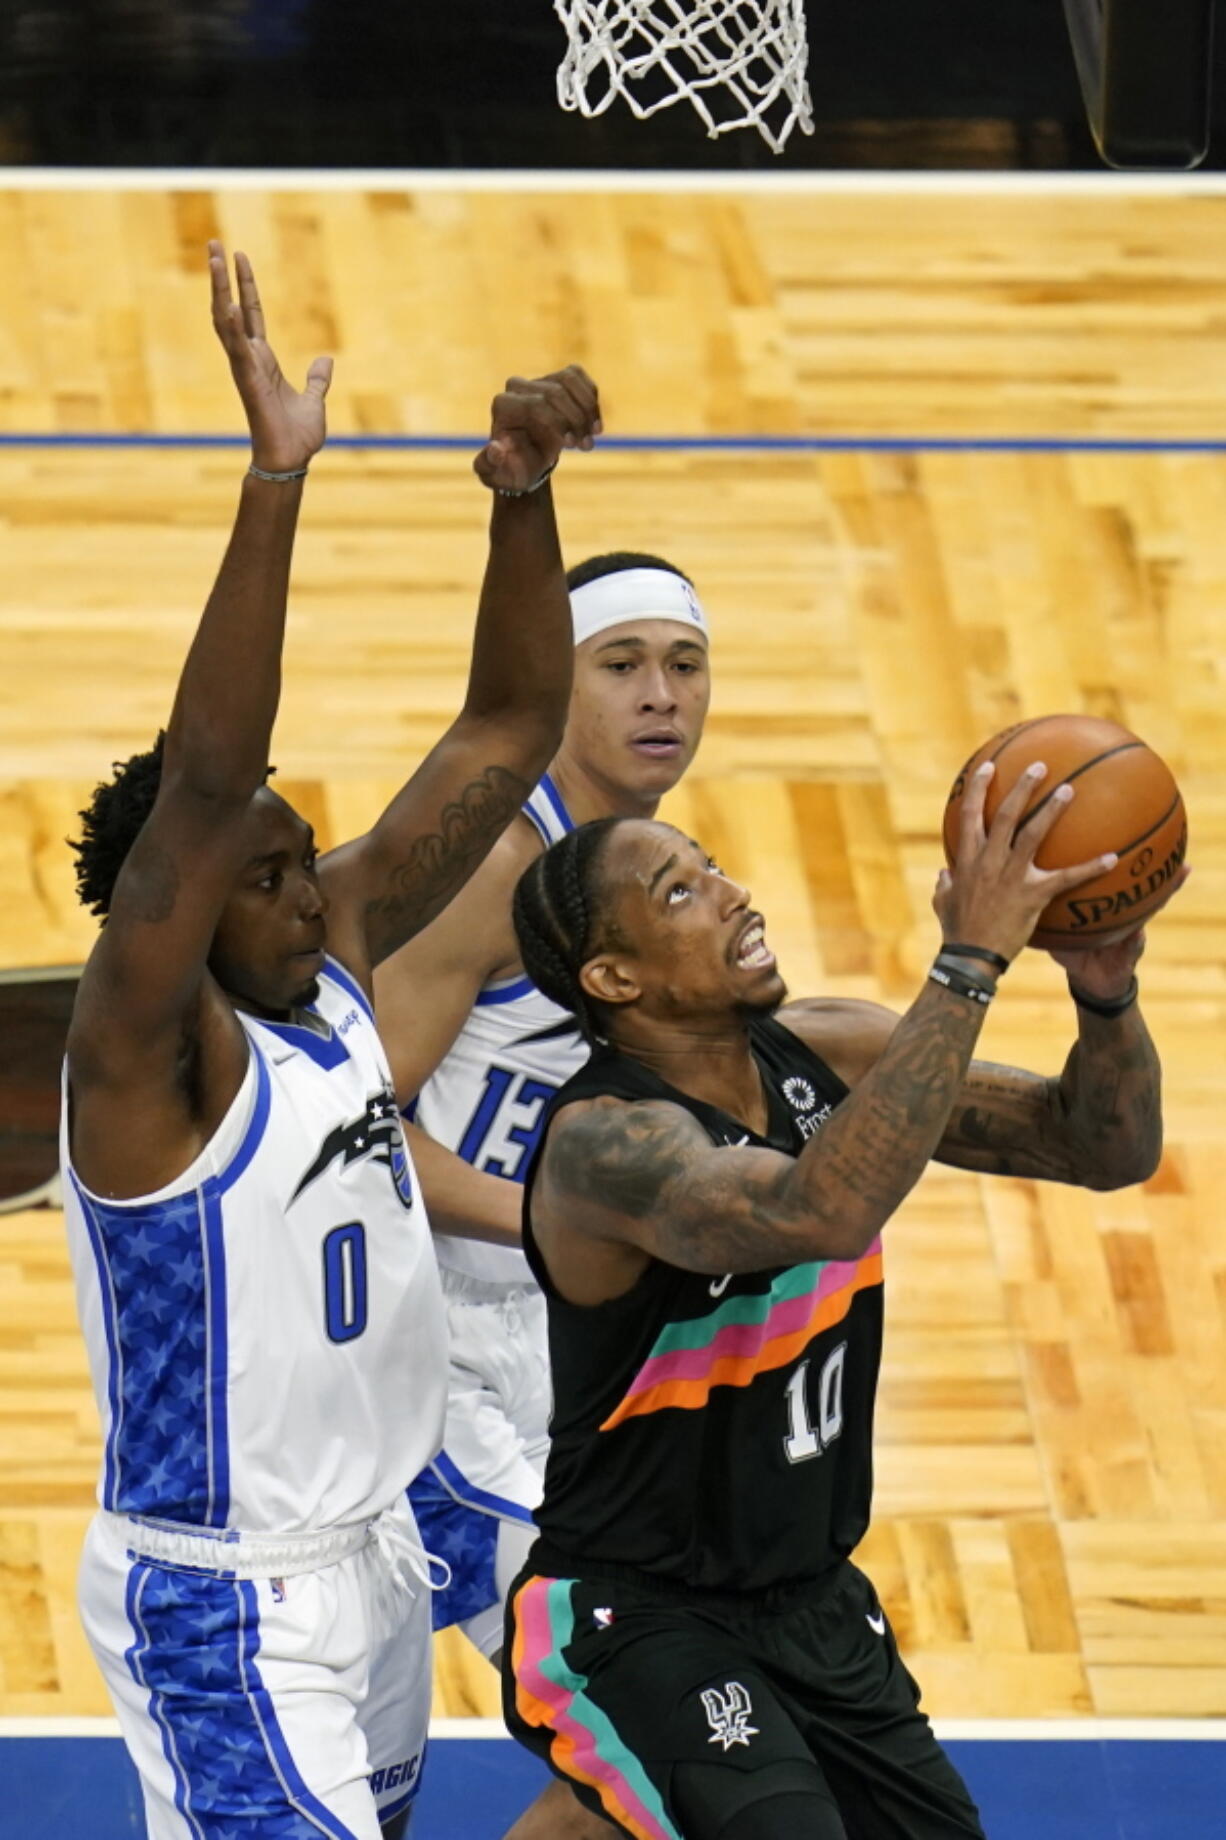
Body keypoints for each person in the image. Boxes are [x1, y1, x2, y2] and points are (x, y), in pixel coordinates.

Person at [61, 242, 600, 1839]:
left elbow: (506, 729)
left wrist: (521, 495)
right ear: (174, 909)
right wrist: (275, 481)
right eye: (266, 878)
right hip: (226, 1610)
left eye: (309, 864)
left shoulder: (337, 960)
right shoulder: (150, 1062)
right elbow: (208, 788)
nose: (314, 893)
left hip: (383, 1542)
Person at [501, 761, 1174, 1840]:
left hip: (809, 1601)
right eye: (679, 892)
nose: (730, 891)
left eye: (711, 866)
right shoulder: (605, 1146)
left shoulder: (832, 1049)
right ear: (615, 978)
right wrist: (966, 960)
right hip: (633, 1612)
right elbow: (820, 1211)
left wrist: (1104, 988)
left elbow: (1098, 1146)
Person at [375, 553, 710, 1839]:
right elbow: (357, 1132)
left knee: (651, 1733)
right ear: (555, 687)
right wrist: (538, 1223)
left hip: (572, 1353)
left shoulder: (660, 870)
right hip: (428, 1360)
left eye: (682, 665)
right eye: (619, 665)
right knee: (651, 1697)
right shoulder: (490, 870)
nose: (657, 695)